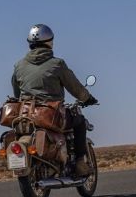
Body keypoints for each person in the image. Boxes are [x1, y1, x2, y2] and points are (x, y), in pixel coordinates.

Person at [11, 24, 98, 176]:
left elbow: (16, 90)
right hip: (51, 114)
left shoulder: (19, 65)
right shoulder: (57, 64)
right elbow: (75, 87)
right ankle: (79, 163)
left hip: (26, 115)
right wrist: (87, 98)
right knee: (79, 121)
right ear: (50, 42)